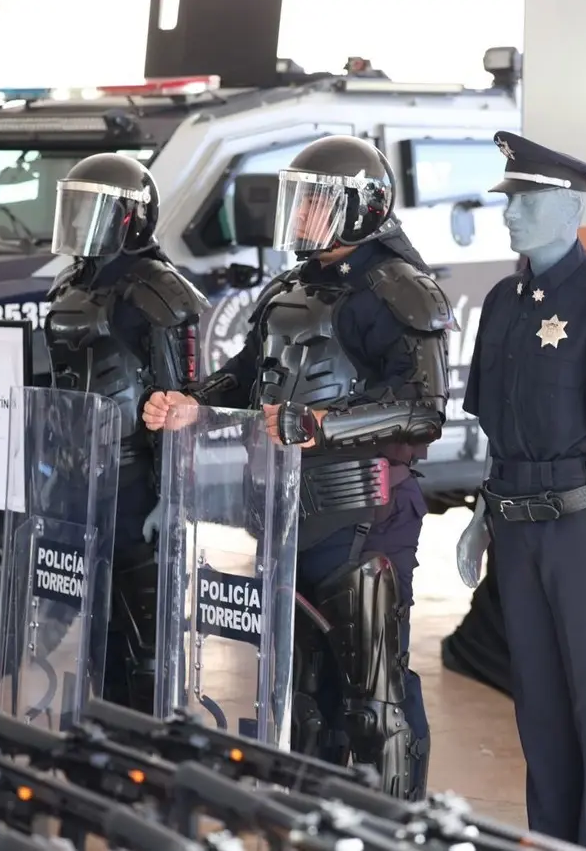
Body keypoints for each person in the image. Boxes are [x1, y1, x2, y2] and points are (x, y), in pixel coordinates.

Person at [140, 135, 450, 800]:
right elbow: (246, 375)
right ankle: (311, 826)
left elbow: (425, 411)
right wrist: (190, 403)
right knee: (301, 694)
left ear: (358, 209)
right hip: (281, 512)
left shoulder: (399, 290)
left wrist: (323, 425)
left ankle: (395, 836)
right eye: (299, 200)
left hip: (364, 516)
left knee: (376, 696)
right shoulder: (291, 286)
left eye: (313, 202)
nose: (299, 215)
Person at [455, 131, 586, 851]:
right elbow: (498, 429)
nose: (511, 214)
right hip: (516, 528)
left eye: (529, 200)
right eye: (510, 199)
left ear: (572, 210)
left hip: (583, 532)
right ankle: (553, 841)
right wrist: (482, 518)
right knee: (538, 708)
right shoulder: (503, 303)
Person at [40, 152, 208, 714]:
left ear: (129, 217)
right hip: (75, 475)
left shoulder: (160, 290)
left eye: (93, 207)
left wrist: (172, 497)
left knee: (143, 636)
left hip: (136, 477)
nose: (79, 218)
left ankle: (149, 752)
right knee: (92, 624)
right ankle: (101, 741)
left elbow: (180, 398)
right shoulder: (73, 282)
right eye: (75, 204)